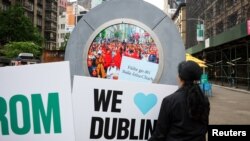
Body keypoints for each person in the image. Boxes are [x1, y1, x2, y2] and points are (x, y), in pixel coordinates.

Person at [148, 61, 210, 141]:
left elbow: (159, 135)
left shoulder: (169, 101)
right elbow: (204, 128)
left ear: (180, 77)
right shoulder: (204, 100)